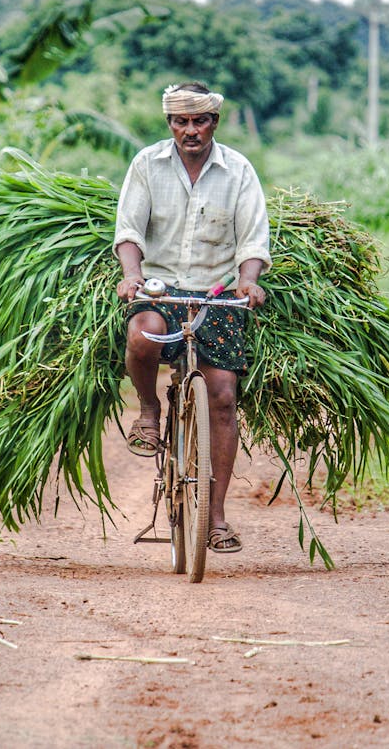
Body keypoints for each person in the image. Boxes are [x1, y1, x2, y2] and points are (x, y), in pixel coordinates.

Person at [113, 82, 270, 555]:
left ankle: (216, 517)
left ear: (214, 123)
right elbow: (129, 230)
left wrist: (249, 279)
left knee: (222, 396)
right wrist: (132, 276)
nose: (190, 131)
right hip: (161, 288)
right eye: (180, 122)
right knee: (143, 336)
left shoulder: (238, 170)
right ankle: (148, 410)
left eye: (199, 121)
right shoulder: (147, 164)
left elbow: (253, 239)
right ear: (170, 125)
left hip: (216, 294)